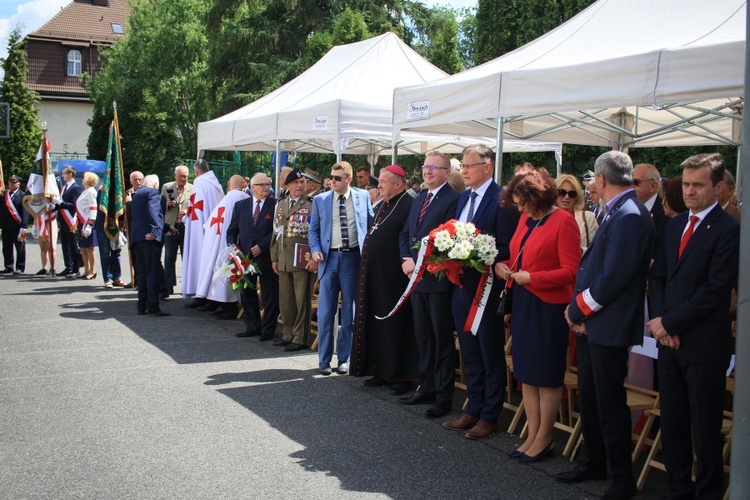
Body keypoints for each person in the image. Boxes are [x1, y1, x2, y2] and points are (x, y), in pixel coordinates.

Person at [558, 151, 655, 500]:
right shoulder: (620, 211)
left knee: (609, 403)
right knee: (592, 397)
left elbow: (614, 278)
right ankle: (594, 460)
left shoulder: (628, 215)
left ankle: (621, 478)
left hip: (607, 324)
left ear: (600, 180)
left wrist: (579, 311)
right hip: (597, 322)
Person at [647, 153, 739, 499]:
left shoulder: (729, 230)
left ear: (718, 188)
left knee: (704, 427)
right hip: (668, 342)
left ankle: (708, 492)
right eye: (685, 184)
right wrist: (659, 323)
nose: (689, 191)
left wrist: (668, 322)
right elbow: (658, 276)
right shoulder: (673, 225)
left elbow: (714, 290)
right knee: (672, 422)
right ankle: (677, 488)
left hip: (702, 345)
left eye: (698, 185)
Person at [496, 166, 581, 462]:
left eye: (523, 202)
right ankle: (532, 434)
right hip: (524, 302)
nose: (520, 208)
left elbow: (571, 271)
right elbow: (515, 253)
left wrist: (533, 278)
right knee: (527, 374)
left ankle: (545, 438)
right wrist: (501, 266)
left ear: (538, 196)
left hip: (549, 307)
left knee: (546, 375)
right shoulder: (525, 219)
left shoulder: (563, 221)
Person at [441, 144, 516, 440]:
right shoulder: (464, 199)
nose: (464, 171)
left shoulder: (502, 201)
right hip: (462, 285)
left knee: (489, 352)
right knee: (470, 352)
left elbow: (510, 246)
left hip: (486, 288)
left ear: (487, 166)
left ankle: (490, 414)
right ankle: (474, 405)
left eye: (469, 166)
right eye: (463, 167)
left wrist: (489, 256)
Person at [399, 152, 460, 418]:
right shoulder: (420, 198)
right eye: (425, 167)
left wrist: (422, 263)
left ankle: (443, 395)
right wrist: (407, 259)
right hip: (416, 279)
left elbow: (451, 240)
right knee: (423, 337)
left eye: (434, 167)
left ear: (447, 172)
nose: (428, 171)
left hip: (437, 280)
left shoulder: (454, 200)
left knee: (441, 338)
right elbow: (406, 233)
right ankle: (426, 386)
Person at [351, 165, 415, 392]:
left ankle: (399, 376)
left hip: (393, 278)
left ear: (398, 184)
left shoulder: (408, 203)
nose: (379, 186)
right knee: (377, 324)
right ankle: (380, 369)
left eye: (383, 182)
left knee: (394, 326)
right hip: (376, 277)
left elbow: (408, 238)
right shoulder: (385, 204)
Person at [308, 161, 370, 374]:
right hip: (329, 259)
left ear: (348, 179)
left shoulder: (363, 197)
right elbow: (313, 230)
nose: (331, 182)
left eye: (337, 178)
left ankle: (344, 358)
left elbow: (369, 226)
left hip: (353, 258)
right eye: (331, 178)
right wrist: (315, 249)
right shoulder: (320, 200)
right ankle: (324, 360)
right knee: (326, 313)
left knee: (349, 315)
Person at [227, 173, 279, 341]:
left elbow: (277, 230)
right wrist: (233, 247)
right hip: (244, 258)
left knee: (269, 294)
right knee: (247, 293)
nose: (266, 187)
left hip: (265, 256)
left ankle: (268, 330)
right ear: (253, 187)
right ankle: (252, 326)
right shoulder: (241, 205)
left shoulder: (275, 204)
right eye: (262, 184)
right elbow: (232, 230)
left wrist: (262, 246)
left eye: (268, 184)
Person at [271, 168, 317, 352]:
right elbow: (276, 233)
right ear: (287, 185)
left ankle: (300, 338)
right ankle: (287, 334)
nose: (300, 185)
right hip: (283, 258)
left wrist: (314, 257)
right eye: (296, 183)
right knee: (286, 300)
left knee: (301, 300)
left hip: (302, 259)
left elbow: (317, 232)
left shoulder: (312, 204)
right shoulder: (281, 204)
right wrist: (274, 257)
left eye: (302, 182)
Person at [194, 175, 249, 319]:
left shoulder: (229, 198)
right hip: (226, 240)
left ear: (230, 184)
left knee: (224, 272)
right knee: (226, 272)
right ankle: (226, 305)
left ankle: (227, 306)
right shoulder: (241, 197)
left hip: (219, 240)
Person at [182, 160, 224, 307]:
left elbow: (195, 211)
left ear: (195, 172)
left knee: (201, 260)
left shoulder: (199, 183)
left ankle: (202, 296)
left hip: (200, 230)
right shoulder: (216, 184)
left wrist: (185, 218)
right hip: (215, 228)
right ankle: (209, 296)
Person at [131, 175, 174, 316]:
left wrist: (166, 227)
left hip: (137, 238)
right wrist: (155, 231)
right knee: (152, 272)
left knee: (142, 273)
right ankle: (153, 305)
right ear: (156, 185)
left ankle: (141, 305)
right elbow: (153, 212)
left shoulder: (137, 195)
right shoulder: (153, 193)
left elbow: (142, 216)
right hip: (149, 238)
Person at [161, 165, 193, 298]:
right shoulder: (167, 187)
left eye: (185, 176)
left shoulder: (192, 188)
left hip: (186, 227)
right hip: (171, 226)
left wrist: (188, 211)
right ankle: (168, 286)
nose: (183, 179)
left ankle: (187, 286)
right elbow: (159, 206)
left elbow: (197, 206)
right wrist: (167, 204)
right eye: (180, 176)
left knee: (187, 258)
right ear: (175, 176)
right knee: (169, 258)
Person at [53, 166, 83, 278]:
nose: (62, 175)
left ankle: (76, 269)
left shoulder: (76, 188)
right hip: (63, 220)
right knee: (65, 245)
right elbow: (60, 205)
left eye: (64, 173)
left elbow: (75, 206)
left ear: (70, 174)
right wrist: (53, 206)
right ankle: (68, 267)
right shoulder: (64, 188)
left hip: (71, 221)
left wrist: (60, 203)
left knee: (73, 245)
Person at [555, 174, 598, 251]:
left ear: (577, 197)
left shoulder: (588, 218)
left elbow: (596, 250)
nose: (567, 197)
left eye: (572, 194)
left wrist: (575, 251)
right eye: (562, 192)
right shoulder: (545, 218)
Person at [633, 163, 666, 256]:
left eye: (636, 182)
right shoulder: (625, 210)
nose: (631, 187)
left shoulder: (666, 213)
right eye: (628, 182)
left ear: (653, 186)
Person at [95, 185, 124, 288]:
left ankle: (117, 277)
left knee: (116, 253)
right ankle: (107, 278)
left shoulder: (119, 187)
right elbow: (101, 205)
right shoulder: (102, 190)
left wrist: (121, 221)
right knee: (105, 254)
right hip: (103, 226)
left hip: (117, 226)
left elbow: (122, 207)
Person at [0, 175, 29, 274]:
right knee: (6, 247)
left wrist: (23, 227)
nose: (11, 183)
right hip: (6, 226)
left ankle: (20, 267)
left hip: (17, 226)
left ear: (18, 184)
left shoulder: (22, 195)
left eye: (14, 182)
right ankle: (9, 266)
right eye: (10, 181)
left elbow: (25, 213)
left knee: (20, 248)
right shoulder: (4, 195)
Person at [76, 172, 99, 280]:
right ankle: (86, 269)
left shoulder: (90, 192)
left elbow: (93, 208)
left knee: (89, 248)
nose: (82, 179)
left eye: (84, 178)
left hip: (88, 222)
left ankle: (92, 270)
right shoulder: (85, 191)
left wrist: (90, 224)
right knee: (83, 247)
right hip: (82, 222)